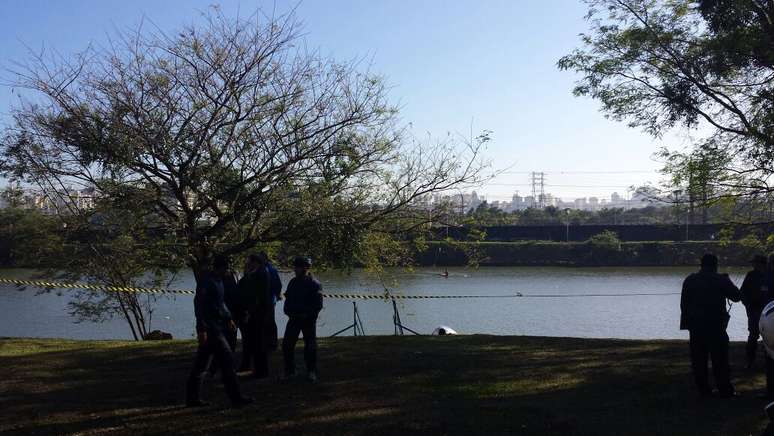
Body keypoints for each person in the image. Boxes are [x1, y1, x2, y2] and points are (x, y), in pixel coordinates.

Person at [186, 255, 253, 407]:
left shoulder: (219, 281)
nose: (227, 271)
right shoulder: (206, 282)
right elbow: (199, 307)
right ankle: (236, 398)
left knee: (201, 364)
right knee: (227, 361)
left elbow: (220, 303)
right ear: (220, 267)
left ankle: (192, 398)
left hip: (218, 326)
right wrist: (201, 329)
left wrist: (229, 318)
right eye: (226, 268)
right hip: (211, 329)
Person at [680, 253, 742, 398]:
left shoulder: (690, 280)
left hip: (696, 326)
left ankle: (703, 390)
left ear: (701, 265)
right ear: (715, 265)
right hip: (716, 325)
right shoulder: (721, 280)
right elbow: (737, 296)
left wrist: (688, 323)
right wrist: (728, 280)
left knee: (698, 359)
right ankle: (725, 390)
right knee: (720, 358)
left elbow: (684, 304)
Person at [282, 256, 324, 383]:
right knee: (287, 345)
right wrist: (288, 312)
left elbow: (318, 305)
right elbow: (287, 299)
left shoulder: (315, 284)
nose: (295, 269)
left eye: (297, 267)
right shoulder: (293, 282)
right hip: (293, 319)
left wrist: (308, 315)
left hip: (308, 321)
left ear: (305, 268)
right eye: (295, 266)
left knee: (310, 346)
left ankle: (311, 372)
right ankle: (290, 371)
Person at [238, 254, 272, 378]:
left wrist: (250, 312)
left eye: (249, 262)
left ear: (255, 262)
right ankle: (257, 369)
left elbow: (258, 296)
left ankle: (261, 371)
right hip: (256, 312)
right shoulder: (257, 273)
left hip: (259, 314)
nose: (248, 264)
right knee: (254, 342)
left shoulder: (261, 274)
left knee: (259, 343)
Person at [742, 255, 769, 368]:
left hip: (769, 313)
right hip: (754, 311)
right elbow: (742, 293)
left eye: (754, 262)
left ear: (761, 263)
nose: (752, 265)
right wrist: (748, 306)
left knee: (769, 337)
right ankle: (750, 362)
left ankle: (768, 362)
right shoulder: (750, 275)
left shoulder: (770, 275)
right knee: (753, 336)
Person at [258, 251, 282, 350]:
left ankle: (272, 343)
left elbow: (278, 285)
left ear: (265, 259)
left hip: (269, 300)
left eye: (260, 258)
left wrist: (275, 296)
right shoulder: (261, 269)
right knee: (263, 321)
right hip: (263, 300)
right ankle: (265, 342)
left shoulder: (270, 269)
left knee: (270, 321)